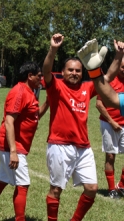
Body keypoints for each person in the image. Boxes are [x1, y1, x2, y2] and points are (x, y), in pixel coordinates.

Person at [43, 33, 124, 221]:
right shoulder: (56, 87)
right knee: (56, 189)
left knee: (92, 189)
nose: (74, 73)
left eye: (78, 70)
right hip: (59, 145)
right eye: (70, 70)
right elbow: (46, 70)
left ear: (83, 72)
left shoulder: (87, 88)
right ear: (62, 72)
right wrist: (53, 49)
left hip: (83, 147)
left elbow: (109, 76)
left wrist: (119, 55)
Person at [0, 62, 49, 221]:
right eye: (39, 76)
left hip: (14, 146)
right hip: (12, 146)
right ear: (30, 76)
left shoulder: (31, 92)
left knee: (2, 180)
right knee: (23, 185)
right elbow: (9, 121)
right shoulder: (19, 92)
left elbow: (35, 116)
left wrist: (48, 102)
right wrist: (13, 151)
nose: (41, 79)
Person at [95, 57, 124, 199]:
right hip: (109, 124)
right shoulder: (109, 81)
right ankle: (112, 189)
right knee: (110, 156)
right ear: (118, 66)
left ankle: (122, 185)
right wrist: (111, 121)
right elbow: (99, 104)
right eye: (122, 67)